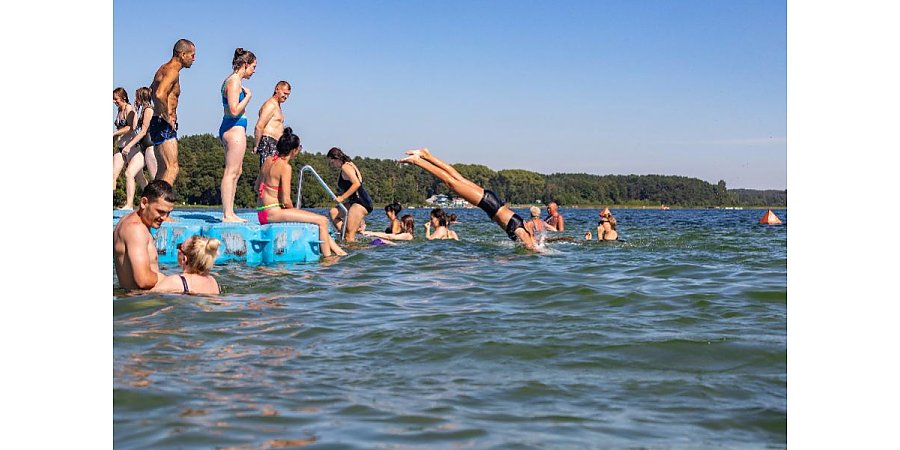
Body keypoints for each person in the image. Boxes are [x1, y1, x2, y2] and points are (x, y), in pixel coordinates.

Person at [400, 148, 536, 250]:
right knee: (451, 183)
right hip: (489, 204)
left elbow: (532, 238)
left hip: (492, 201)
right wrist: (534, 250)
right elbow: (530, 247)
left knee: (457, 178)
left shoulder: (528, 233)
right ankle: (418, 161)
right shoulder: (526, 238)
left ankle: (426, 155)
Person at [256, 127, 347, 257]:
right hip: (272, 213)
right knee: (322, 221)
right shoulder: (285, 167)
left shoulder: (268, 160)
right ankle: (328, 259)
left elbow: (257, 187)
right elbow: (286, 201)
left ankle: (338, 251)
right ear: (294, 150)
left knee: (314, 220)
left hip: (261, 212)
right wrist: (294, 212)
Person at [113, 180, 176, 290]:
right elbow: (144, 280)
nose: (165, 218)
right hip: (141, 299)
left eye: (168, 213)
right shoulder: (136, 229)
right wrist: (174, 281)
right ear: (144, 203)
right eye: (160, 211)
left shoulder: (126, 220)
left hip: (134, 297)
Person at [149, 38, 195, 186]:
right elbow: (159, 94)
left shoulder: (163, 68)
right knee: (172, 168)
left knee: (162, 169)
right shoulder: (172, 72)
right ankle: (162, 200)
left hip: (156, 122)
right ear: (182, 55)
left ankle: (152, 199)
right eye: (192, 55)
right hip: (163, 124)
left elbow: (151, 91)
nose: (194, 59)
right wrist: (167, 116)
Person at [219, 48, 256, 222]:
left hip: (233, 128)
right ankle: (227, 214)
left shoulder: (234, 81)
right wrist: (248, 97)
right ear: (245, 64)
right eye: (253, 67)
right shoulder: (234, 82)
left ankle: (230, 211)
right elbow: (234, 110)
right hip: (233, 129)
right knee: (231, 171)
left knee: (237, 171)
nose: (254, 71)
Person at [113, 87, 157, 210]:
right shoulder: (142, 110)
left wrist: (129, 145)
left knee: (154, 178)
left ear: (141, 97)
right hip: (142, 147)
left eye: (137, 96)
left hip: (149, 147)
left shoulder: (148, 110)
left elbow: (142, 131)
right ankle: (150, 202)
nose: (135, 99)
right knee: (140, 178)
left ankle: (158, 202)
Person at [327, 147, 373, 242]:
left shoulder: (346, 167)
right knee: (333, 212)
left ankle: (350, 239)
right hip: (354, 202)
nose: (331, 165)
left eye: (331, 162)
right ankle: (346, 234)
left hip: (361, 202)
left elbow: (357, 183)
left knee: (349, 236)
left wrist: (342, 197)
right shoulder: (349, 164)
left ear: (336, 158)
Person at [152, 235, 221, 295]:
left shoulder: (176, 281)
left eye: (179, 247)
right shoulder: (213, 282)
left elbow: (149, 296)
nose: (178, 250)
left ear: (184, 259)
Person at [254, 81, 291, 167]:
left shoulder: (277, 106)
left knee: (274, 173)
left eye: (288, 95)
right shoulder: (271, 105)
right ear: (277, 89)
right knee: (267, 172)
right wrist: (256, 145)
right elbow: (259, 126)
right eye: (284, 93)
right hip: (268, 142)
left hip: (276, 144)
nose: (286, 97)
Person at [112, 87, 137, 152]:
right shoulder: (119, 109)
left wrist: (114, 133)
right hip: (120, 145)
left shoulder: (128, 107)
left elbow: (130, 127)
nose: (114, 101)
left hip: (130, 146)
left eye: (116, 99)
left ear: (124, 97)